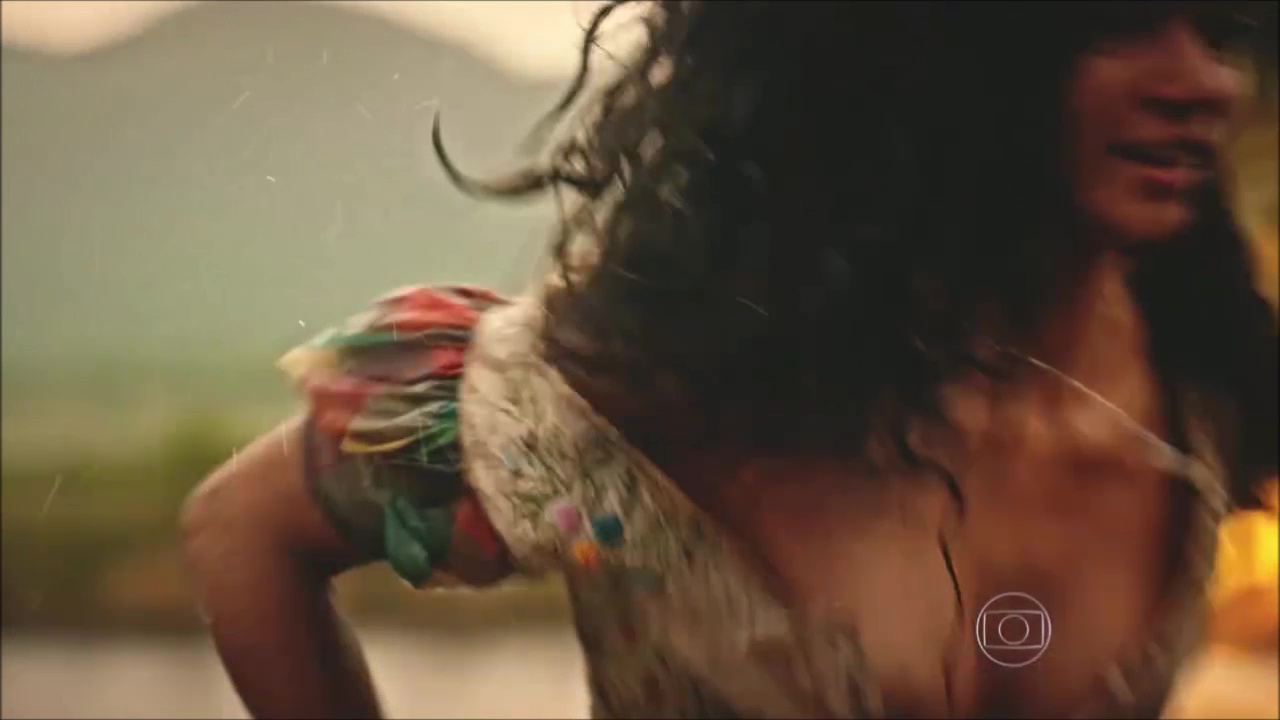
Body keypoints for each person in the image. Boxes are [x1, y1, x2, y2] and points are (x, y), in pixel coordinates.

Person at [181, 2, 1278, 717]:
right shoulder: (652, 394)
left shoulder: (1207, 388)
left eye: (1220, 26)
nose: (1201, 81)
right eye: (1112, 20)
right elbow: (244, 531)